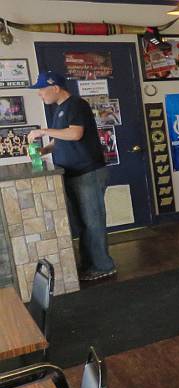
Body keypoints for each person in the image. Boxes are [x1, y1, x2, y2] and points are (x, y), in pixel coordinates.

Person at [27, 71, 115, 281]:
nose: (40, 94)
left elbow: (75, 134)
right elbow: (62, 139)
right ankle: (89, 264)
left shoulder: (76, 104)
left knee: (92, 221)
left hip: (88, 172)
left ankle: (103, 266)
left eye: (41, 89)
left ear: (55, 87)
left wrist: (43, 131)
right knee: (83, 222)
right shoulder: (60, 110)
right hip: (73, 173)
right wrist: (44, 150)